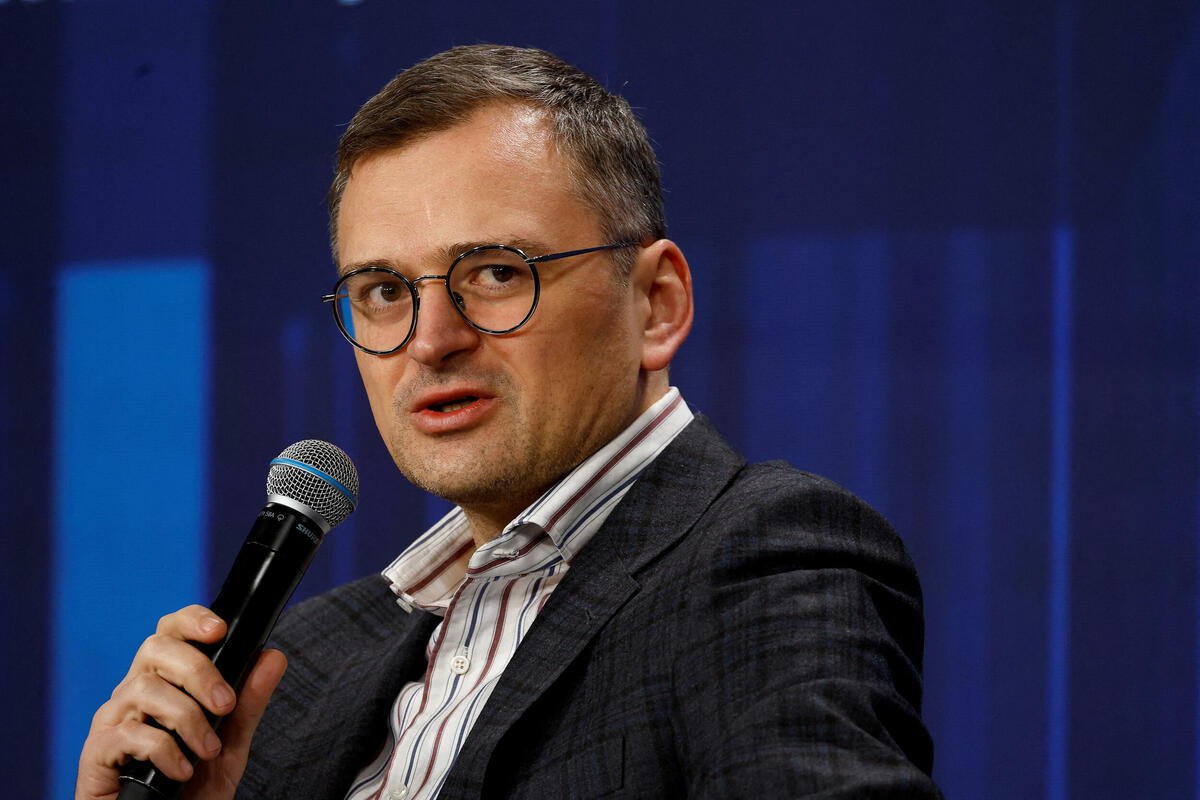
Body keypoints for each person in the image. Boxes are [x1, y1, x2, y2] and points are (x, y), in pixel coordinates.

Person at [77, 45, 941, 799]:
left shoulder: (766, 555)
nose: (431, 341)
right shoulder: (298, 666)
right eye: (384, 291)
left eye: (495, 272)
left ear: (656, 303)